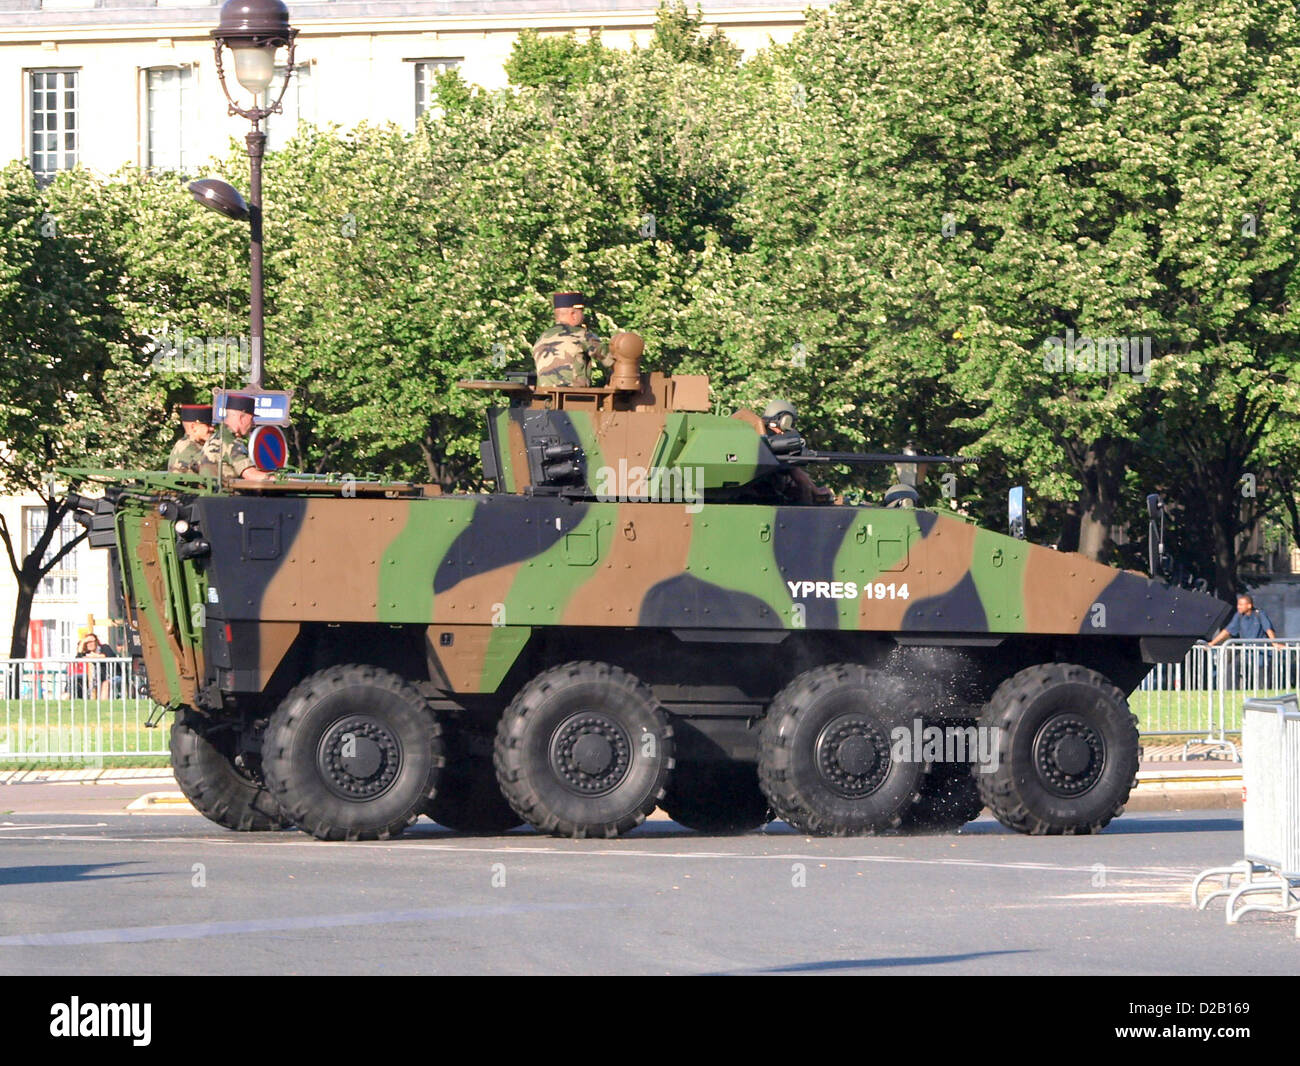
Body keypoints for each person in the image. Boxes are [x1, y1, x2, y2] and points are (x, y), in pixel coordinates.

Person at [761, 398, 833, 505]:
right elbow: (795, 471)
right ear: (786, 420)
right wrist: (816, 492)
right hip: (766, 494)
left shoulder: (761, 433)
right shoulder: (774, 441)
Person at [531, 291, 611, 387]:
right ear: (573, 314)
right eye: (581, 312)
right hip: (574, 398)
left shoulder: (541, 338)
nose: (583, 316)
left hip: (544, 398)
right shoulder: (581, 335)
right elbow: (611, 359)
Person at [1207, 591, 1282, 691]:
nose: (1238, 607)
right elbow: (1227, 631)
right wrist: (1212, 643)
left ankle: (1263, 695)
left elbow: (1268, 629)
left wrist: (1274, 643)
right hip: (1246, 652)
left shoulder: (1259, 614)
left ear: (1249, 605)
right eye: (1238, 605)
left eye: (1241, 605)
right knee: (1232, 668)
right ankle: (1232, 692)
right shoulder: (1239, 616)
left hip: (1261, 653)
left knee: (1262, 678)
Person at [199, 394, 274, 481]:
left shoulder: (215, 437)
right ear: (241, 418)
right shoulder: (230, 442)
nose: (253, 424)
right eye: (251, 419)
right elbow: (250, 475)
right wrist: (279, 479)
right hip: (228, 493)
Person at [166, 403, 214, 473]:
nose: (212, 428)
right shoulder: (188, 448)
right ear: (193, 427)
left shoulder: (192, 444)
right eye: (208, 424)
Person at [74, 632, 116, 700]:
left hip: (115, 676)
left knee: (105, 683)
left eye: (91, 642)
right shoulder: (89, 653)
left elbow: (109, 656)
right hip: (100, 678)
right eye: (87, 642)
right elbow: (78, 658)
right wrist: (83, 641)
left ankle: (103, 706)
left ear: (96, 642)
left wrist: (96, 656)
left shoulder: (105, 647)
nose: (89, 644)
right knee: (93, 684)